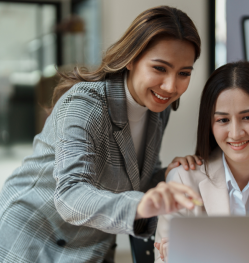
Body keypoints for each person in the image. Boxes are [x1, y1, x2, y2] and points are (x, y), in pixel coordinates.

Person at [0, 6, 204, 263]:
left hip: (90, 244)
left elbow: (131, 177)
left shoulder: (157, 108)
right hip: (32, 241)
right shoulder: (86, 105)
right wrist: (139, 205)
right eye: (160, 68)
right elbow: (70, 194)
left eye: (183, 73)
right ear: (131, 58)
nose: (171, 86)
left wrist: (165, 175)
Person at [154, 61, 249, 262]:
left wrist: (196, 252)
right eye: (223, 120)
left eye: (248, 117)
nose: (235, 133)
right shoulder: (182, 178)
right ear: (210, 124)